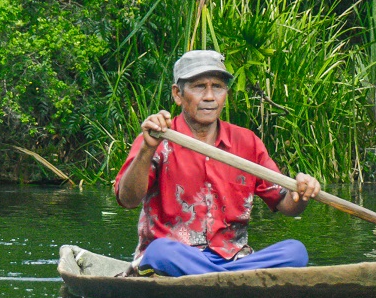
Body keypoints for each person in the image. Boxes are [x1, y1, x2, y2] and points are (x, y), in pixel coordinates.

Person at [114, 49, 322, 276]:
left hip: (235, 260)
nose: (210, 97)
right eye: (199, 86)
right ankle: (228, 279)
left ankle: (219, 277)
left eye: (218, 87)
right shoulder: (158, 139)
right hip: (177, 259)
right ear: (177, 94)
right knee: (159, 252)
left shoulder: (247, 142)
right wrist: (147, 149)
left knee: (295, 251)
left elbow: (286, 204)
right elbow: (127, 199)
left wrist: (301, 194)